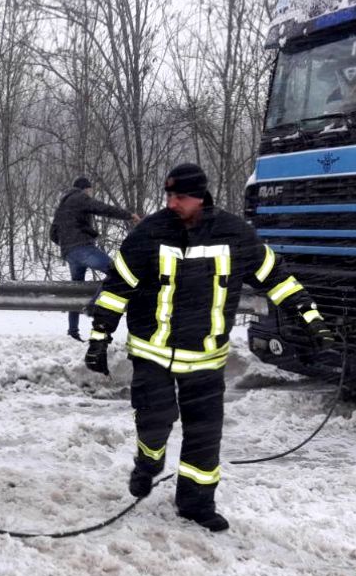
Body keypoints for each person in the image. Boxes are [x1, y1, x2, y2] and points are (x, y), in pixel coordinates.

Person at [83, 163, 334, 532]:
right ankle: (148, 462)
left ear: (201, 196)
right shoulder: (148, 233)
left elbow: (276, 278)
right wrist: (99, 338)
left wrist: (310, 318)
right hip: (152, 353)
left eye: (181, 196)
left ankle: (196, 504)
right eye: (169, 195)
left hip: (206, 359)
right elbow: (117, 288)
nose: (172, 203)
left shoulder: (235, 234)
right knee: (154, 420)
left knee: (204, 435)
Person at [52, 176, 140, 341]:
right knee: (117, 271)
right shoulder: (80, 197)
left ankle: (73, 332)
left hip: (70, 253)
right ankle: (93, 305)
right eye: (90, 191)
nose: (91, 193)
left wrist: (67, 243)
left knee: (75, 291)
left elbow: (53, 233)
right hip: (83, 249)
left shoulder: (62, 206)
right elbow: (103, 208)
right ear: (86, 189)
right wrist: (128, 215)